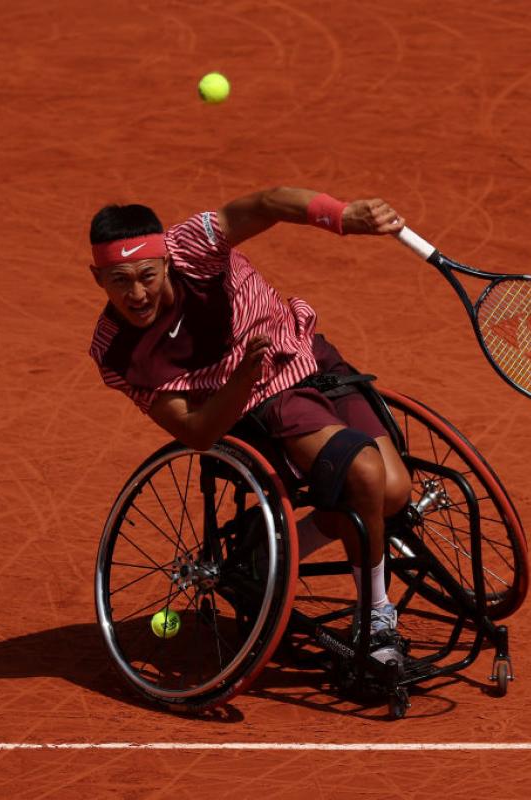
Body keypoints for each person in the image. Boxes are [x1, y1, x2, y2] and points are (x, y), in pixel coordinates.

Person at [87, 187, 412, 664]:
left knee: (393, 491)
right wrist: (240, 378)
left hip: (308, 353)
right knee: (363, 475)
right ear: (98, 278)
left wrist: (342, 216)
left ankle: (272, 544)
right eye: (120, 281)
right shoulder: (117, 353)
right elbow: (197, 433)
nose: (136, 294)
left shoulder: (193, 247)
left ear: (167, 264)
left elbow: (269, 204)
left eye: (146, 276)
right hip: (261, 400)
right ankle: (374, 616)